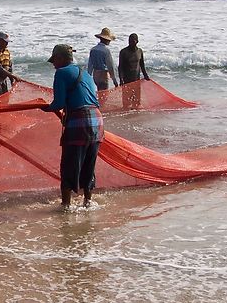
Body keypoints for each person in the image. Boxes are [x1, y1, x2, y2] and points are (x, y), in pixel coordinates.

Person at [42, 43, 105, 208]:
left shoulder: (61, 73)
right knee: (88, 165)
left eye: (54, 60)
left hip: (79, 123)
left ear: (61, 58)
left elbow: (59, 103)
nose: (54, 64)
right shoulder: (85, 73)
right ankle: (88, 202)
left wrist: (45, 108)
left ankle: (66, 206)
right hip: (97, 122)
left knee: (69, 164)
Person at [118, 33, 150, 109]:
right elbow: (120, 67)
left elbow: (142, 65)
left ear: (137, 41)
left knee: (136, 102)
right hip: (127, 80)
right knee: (126, 103)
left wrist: (146, 76)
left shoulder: (140, 51)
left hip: (136, 80)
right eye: (129, 41)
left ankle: (135, 117)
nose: (130, 43)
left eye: (132, 41)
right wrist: (121, 79)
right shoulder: (123, 52)